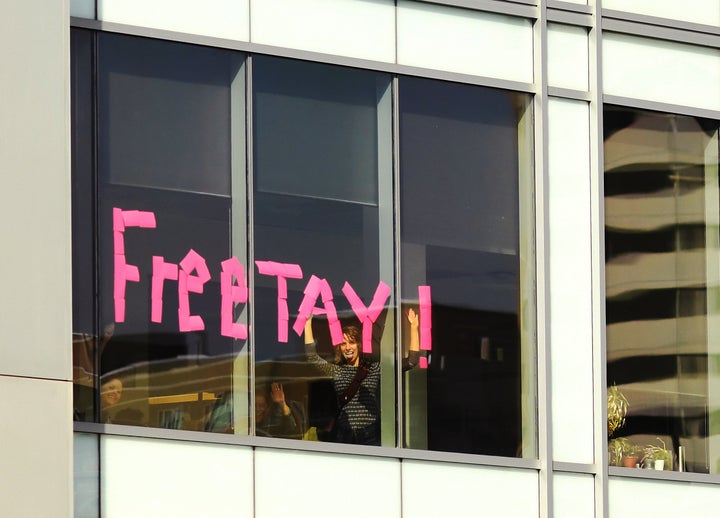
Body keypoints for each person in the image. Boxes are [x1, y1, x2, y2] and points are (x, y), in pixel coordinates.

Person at [304, 309, 420, 446]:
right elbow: (312, 357)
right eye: (343, 343)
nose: (347, 347)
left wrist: (413, 327)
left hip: (370, 434)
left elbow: (412, 361)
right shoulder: (336, 371)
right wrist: (307, 322)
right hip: (344, 435)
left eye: (351, 342)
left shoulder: (374, 369)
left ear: (358, 345)